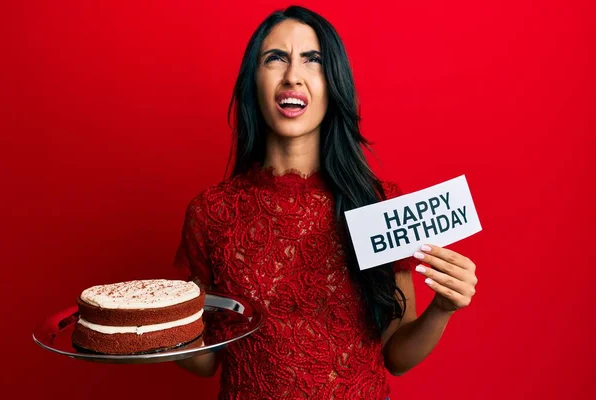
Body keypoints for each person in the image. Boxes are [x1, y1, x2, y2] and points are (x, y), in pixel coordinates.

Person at [173, 5, 478, 400]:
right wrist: (155, 333)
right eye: (275, 58)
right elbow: (206, 362)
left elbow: (397, 355)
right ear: (254, 80)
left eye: (312, 60)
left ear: (334, 83)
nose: (292, 76)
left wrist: (443, 308)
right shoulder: (211, 213)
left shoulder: (379, 205)